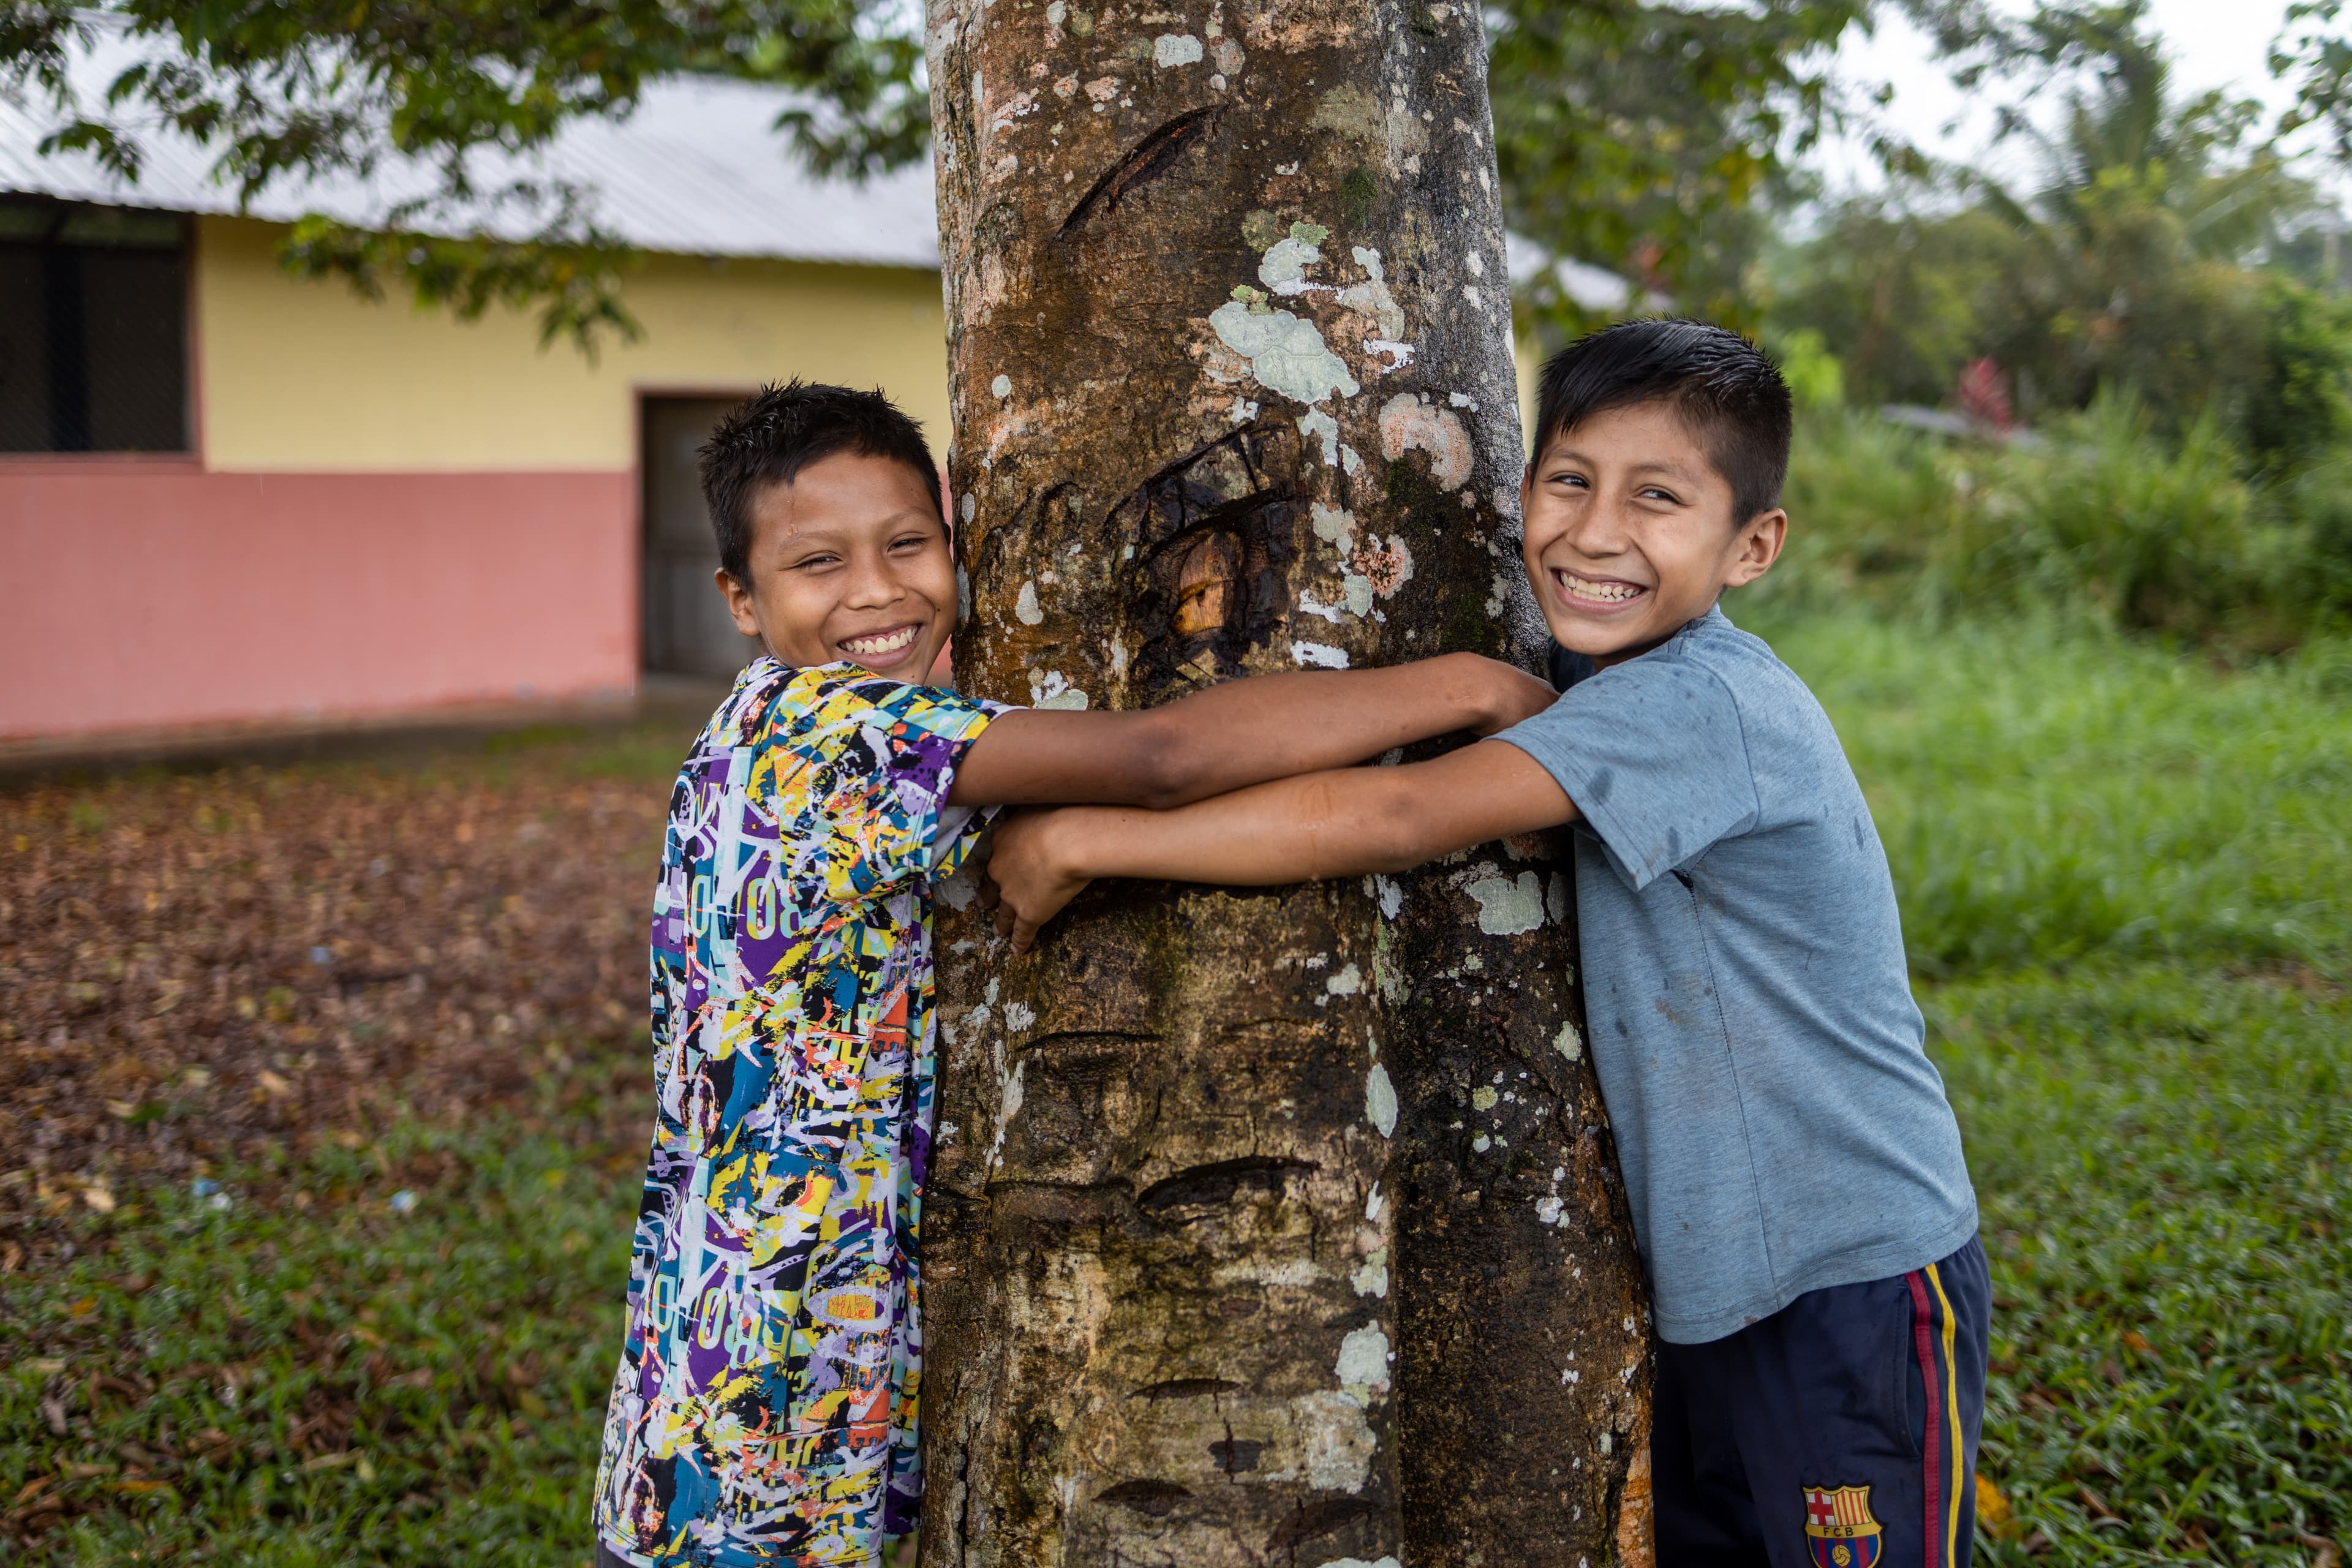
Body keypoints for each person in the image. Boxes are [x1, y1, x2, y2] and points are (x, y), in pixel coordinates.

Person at [982, 322, 1991, 1568]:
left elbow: (1396, 813)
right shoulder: (1601, 681)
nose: (1598, 529)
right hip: (1729, 1287)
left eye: (1660, 497)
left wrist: (1090, 837)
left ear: (1754, 546)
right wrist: (1463, 677)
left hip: (1851, 1275)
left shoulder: (1700, 699)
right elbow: (1298, 743)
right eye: (1570, 480)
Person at [589, 380, 1557, 1568]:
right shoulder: (834, 731)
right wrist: (1470, 682)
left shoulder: (777, 726)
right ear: (739, 595)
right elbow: (1160, 755)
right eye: (817, 563)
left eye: (907, 542)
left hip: (741, 1284)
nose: (878, 590)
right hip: (774, 1320)